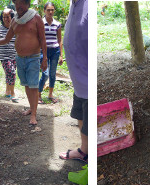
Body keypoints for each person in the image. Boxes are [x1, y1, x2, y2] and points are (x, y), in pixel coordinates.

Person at [0, 0, 47, 126]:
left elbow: (43, 39)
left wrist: (45, 59)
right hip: (20, 58)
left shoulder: (36, 18)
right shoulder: (15, 21)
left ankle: (33, 114)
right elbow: (6, 39)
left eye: (22, 3)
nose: (19, 6)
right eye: (17, 3)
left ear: (27, 4)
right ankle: (31, 108)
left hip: (33, 57)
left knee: (33, 86)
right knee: (27, 85)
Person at [58, 0, 88, 163]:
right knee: (81, 116)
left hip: (88, 83)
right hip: (79, 83)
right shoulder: (74, 4)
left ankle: (89, 154)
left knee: (89, 121)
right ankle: (84, 151)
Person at [38, 2, 64, 104]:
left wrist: (61, 55)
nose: (50, 12)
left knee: (52, 74)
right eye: (48, 10)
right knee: (45, 74)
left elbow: (60, 40)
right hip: (43, 51)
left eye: (52, 10)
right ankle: (38, 95)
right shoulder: (40, 23)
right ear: (44, 11)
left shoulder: (57, 24)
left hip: (55, 51)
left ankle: (50, 95)